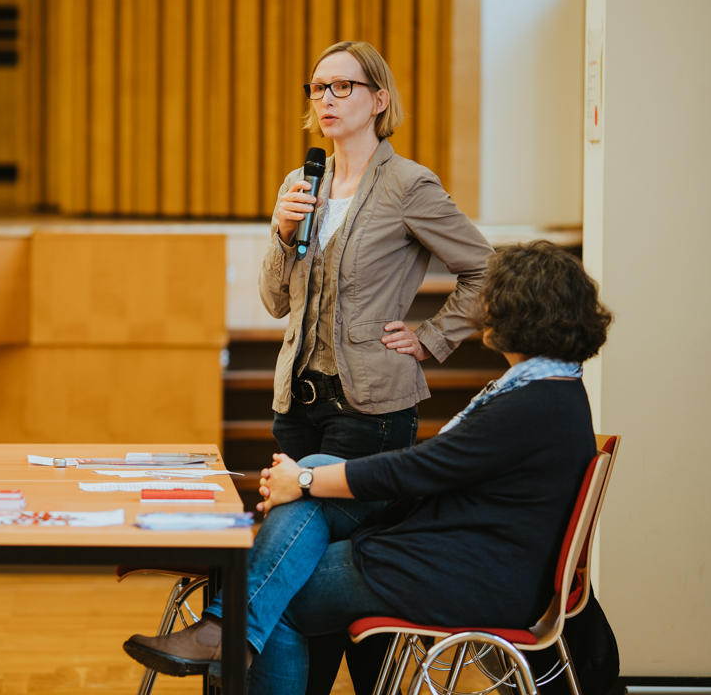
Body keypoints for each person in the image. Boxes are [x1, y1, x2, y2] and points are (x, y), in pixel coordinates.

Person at [124, 240, 614, 695]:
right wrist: (309, 477)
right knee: (312, 477)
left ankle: (226, 627)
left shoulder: (532, 403)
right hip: (466, 558)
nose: (485, 309)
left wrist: (307, 480)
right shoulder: (550, 392)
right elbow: (433, 471)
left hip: (465, 575)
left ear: (516, 313)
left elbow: (422, 469)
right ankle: (223, 628)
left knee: (279, 600)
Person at [261, 39, 494, 683]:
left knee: (346, 570)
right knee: (308, 571)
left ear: (379, 99)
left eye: (344, 87)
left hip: (370, 412)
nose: (328, 99)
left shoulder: (408, 185)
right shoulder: (299, 183)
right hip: (297, 409)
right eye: (318, 88)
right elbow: (275, 299)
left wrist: (432, 338)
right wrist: (281, 234)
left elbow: (485, 270)